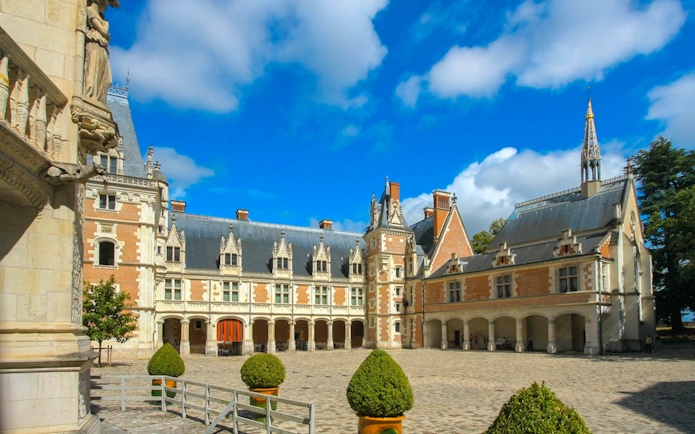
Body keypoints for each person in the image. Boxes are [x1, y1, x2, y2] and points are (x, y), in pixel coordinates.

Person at [83, 0, 119, 103]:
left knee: (107, 80)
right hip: (94, 45)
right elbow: (104, 31)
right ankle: (91, 97)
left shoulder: (101, 17)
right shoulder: (90, 11)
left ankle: (98, 100)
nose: (107, 4)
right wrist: (106, 25)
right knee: (92, 73)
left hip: (102, 47)